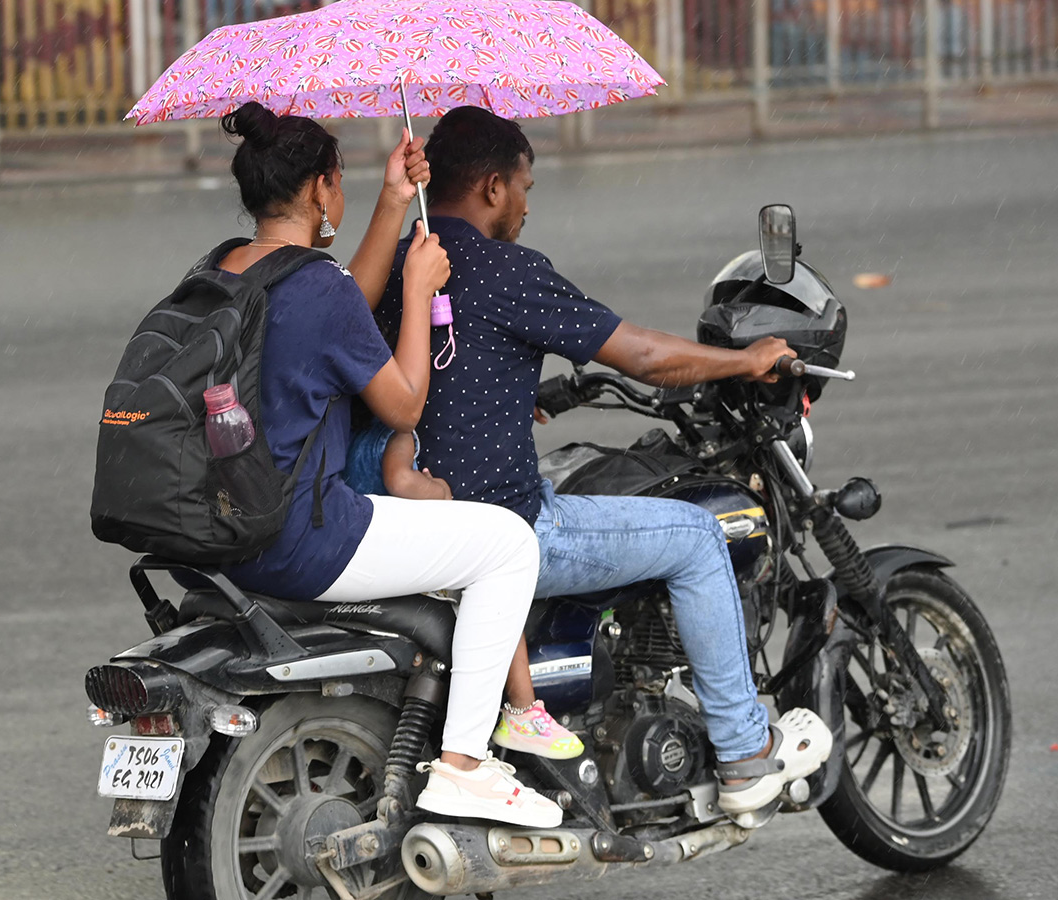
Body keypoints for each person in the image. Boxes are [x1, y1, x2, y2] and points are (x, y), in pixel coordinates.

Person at [371, 106, 832, 818]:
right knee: (699, 536)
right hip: (507, 527)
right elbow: (644, 356)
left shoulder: (401, 266)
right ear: (494, 187)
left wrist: (516, 391)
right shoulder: (506, 270)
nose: (526, 205)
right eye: (526, 186)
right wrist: (748, 358)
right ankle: (744, 754)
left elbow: (432, 366)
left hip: (405, 513)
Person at [213, 101, 561, 828]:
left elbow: (340, 304)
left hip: (235, 532)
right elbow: (403, 404)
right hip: (309, 538)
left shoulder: (228, 268)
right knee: (506, 544)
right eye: (339, 183)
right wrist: (417, 291)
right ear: (320, 190)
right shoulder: (318, 288)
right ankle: (465, 764)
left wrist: (393, 201)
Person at [345, 417, 586, 760]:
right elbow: (399, 480)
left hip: (362, 549)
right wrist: (437, 491)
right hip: (402, 551)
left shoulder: (350, 434)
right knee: (498, 572)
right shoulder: (399, 435)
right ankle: (520, 709)